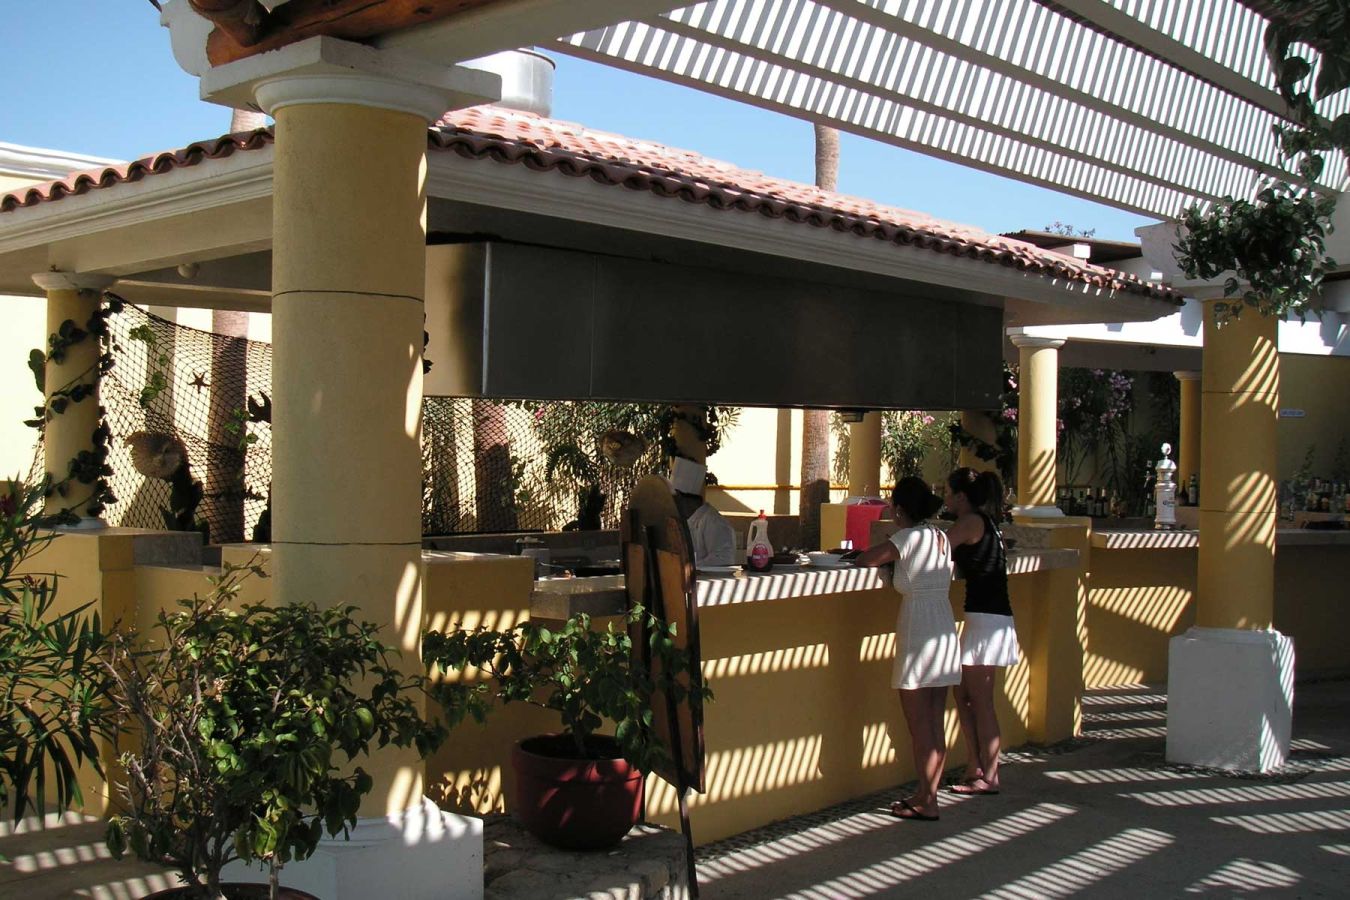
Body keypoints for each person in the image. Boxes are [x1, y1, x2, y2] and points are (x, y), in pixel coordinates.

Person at [855, 476, 960, 821]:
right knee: (935, 720)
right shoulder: (940, 536)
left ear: (900, 510)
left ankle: (926, 799)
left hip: (918, 631)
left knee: (919, 725)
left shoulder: (907, 537)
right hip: (943, 627)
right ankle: (929, 795)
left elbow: (867, 559)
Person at [944, 467, 1021, 796]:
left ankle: (989, 775)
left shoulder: (969, 522)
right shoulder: (984, 521)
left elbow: (938, 547)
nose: (945, 498)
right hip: (987, 619)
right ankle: (975, 764)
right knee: (964, 695)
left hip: (987, 620)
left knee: (981, 701)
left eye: (948, 492)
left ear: (961, 496)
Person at [668, 457, 736, 567]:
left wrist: (689, 568)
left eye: (675, 498)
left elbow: (724, 558)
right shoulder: (685, 521)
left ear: (683, 499)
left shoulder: (713, 522)